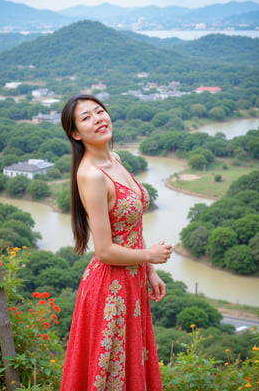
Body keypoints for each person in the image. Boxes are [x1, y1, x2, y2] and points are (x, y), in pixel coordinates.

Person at [60, 94, 172, 391]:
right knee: (109, 371)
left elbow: (132, 222)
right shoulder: (91, 175)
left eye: (100, 111)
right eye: (86, 118)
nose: (98, 118)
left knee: (131, 364)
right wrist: (148, 255)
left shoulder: (116, 160)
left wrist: (150, 271)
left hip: (132, 278)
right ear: (75, 133)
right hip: (111, 288)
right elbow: (105, 251)